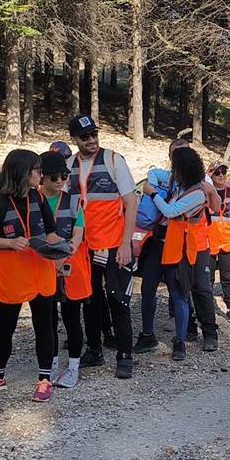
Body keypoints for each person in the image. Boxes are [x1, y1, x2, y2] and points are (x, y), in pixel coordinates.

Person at [0, 149, 62, 401]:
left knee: (44, 327)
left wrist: (63, 249)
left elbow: (51, 232)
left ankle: (45, 380)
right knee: (5, 328)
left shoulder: (39, 197)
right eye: (37, 170)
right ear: (23, 172)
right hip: (10, 275)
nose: (41, 175)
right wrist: (10, 243)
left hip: (41, 272)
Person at [66, 115, 138, 379]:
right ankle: (94, 350)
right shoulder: (68, 165)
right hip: (83, 248)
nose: (92, 140)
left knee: (118, 300)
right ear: (74, 139)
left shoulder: (114, 160)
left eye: (94, 134)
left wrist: (125, 244)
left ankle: (125, 355)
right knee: (90, 300)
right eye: (85, 137)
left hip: (112, 245)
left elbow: (131, 204)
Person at [142, 147, 219, 359]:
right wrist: (153, 180)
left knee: (187, 292)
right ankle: (166, 334)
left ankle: (188, 340)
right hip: (169, 246)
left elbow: (171, 212)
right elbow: (155, 173)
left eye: (174, 165)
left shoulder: (197, 193)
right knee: (165, 291)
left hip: (186, 250)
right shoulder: (181, 184)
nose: (171, 169)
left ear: (182, 168)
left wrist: (153, 193)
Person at [39, 150, 90, 389]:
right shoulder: (33, 200)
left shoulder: (73, 201)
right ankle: (51, 364)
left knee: (72, 319)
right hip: (41, 268)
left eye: (64, 176)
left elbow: (78, 235)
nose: (60, 181)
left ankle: (73, 368)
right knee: (47, 321)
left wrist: (60, 258)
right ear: (42, 177)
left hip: (70, 267)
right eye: (54, 177)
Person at [208, 161, 230, 322]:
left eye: (223, 171)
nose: (221, 175)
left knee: (227, 276)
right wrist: (207, 176)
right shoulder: (206, 191)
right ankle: (206, 308)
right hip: (209, 240)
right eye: (217, 172)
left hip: (228, 240)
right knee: (207, 277)